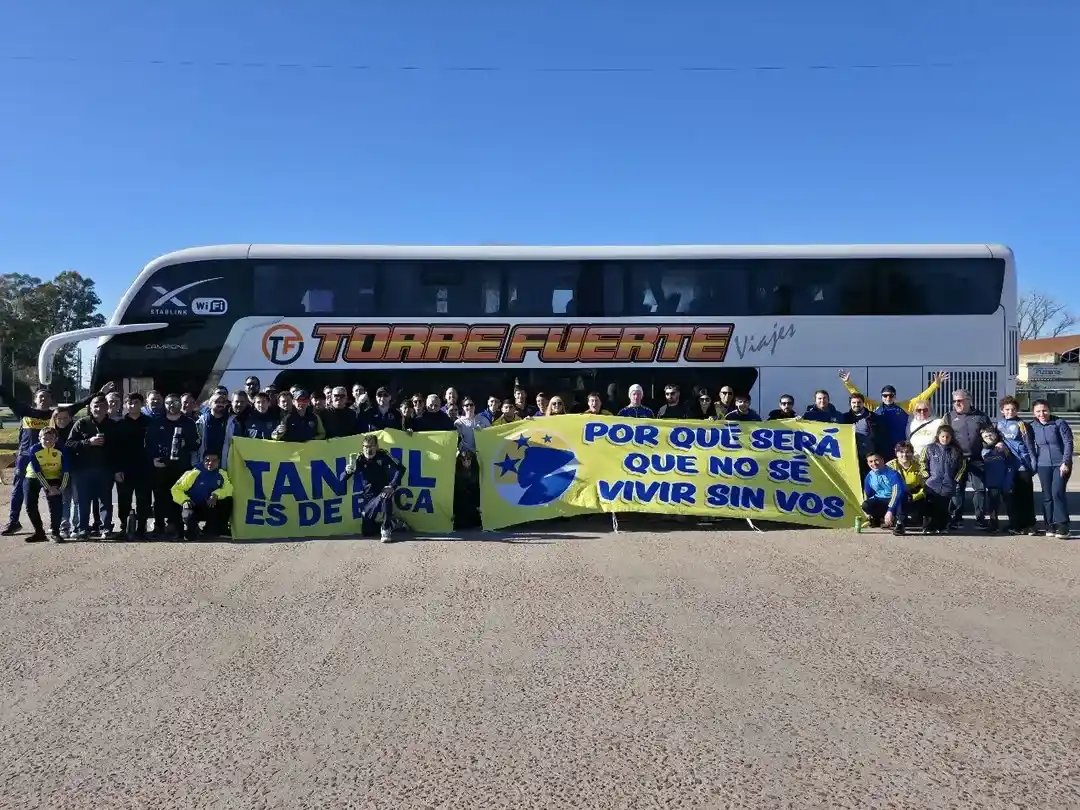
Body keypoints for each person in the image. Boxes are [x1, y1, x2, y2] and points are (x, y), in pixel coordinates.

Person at [0, 380, 113, 536]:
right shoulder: (24, 411)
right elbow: (9, 398)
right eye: (40, 397)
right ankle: (14, 521)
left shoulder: (57, 414)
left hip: (54, 461)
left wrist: (100, 393)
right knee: (19, 492)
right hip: (27, 457)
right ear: (35, 399)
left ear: (51, 400)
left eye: (46, 397)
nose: (43, 400)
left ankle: (58, 526)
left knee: (56, 494)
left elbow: (81, 404)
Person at [839, 370, 949, 460]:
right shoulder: (875, 407)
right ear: (881, 396)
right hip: (881, 448)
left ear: (895, 396)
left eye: (891, 396)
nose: (888, 398)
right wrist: (848, 383)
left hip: (900, 448)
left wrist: (935, 384)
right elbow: (859, 397)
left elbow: (921, 398)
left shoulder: (904, 406)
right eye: (885, 395)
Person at [145, 393, 200, 539]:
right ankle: (158, 525)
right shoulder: (157, 422)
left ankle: (175, 526)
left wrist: (186, 443)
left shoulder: (188, 423)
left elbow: (196, 443)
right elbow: (149, 444)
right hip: (161, 466)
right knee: (159, 497)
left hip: (181, 466)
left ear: (179, 404)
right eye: (169, 403)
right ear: (165, 405)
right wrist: (153, 459)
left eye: (175, 403)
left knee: (178, 496)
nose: (172, 405)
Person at [66, 395, 119, 540]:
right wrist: (88, 442)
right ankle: (83, 529)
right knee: (83, 501)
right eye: (95, 405)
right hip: (83, 469)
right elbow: (69, 445)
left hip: (105, 469)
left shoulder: (113, 426)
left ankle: (105, 528)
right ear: (90, 407)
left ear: (107, 408)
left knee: (105, 501)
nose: (99, 408)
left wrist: (117, 469)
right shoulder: (81, 423)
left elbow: (120, 449)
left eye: (102, 406)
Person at [341, 434, 407, 542]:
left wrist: (392, 486)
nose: (368, 450)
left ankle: (386, 529)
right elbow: (342, 479)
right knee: (367, 531)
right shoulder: (358, 459)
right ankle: (393, 524)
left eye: (371, 446)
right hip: (369, 499)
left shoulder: (383, 455)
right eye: (366, 447)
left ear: (376, 446)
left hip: (384, 492)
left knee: (386, 495)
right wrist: (346, 471)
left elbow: (401, 468)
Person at [942, 389, 991, 529]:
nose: (957, 403)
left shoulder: (981, 416)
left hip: (977, 458)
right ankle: (956, 519)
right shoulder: (948, 417)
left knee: (980, 489)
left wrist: (994, 443)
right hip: (957, 459)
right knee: (957, 489)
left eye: (960, 400)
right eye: (955, 401)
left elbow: (989, 435)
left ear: (969, 401)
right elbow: (943, 436)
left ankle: (980, 519)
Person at [1030, 399, 1072, 539]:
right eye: (1038, 411)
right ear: (1033, 413)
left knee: (1057, 493)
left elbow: (1068, 443)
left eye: (1044, 410)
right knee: (1047, 496)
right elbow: (1030, 446)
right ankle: (1049, 525)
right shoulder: (1032, 426)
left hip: (1060, 464)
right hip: (1043, 465)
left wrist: (1065, 462)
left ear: (1049, 410)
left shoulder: (1059, 423)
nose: (1042, 413)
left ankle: (1063, 526)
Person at [113, 392, 153, 539]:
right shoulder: (119, 424)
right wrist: (117, 470)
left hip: (144, 468)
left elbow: (154, 446)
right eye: (129, 403)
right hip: (124, 468)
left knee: (144, 499)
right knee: (124, 499)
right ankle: (124, 527)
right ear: (125, 405)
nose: (132, 405)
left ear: (142, 405)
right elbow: (114, 449)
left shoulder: (150, 423)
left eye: (136, 403)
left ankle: (142, 528)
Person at [996, 396, 1038, 536]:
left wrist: (1033, 464)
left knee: (1025, 496)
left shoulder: (1022, 425)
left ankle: (1029, 525)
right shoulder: (999, 425)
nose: (1010, 412)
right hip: (1007, 467)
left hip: (1022, 466)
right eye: (1007, 409)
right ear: (1002, 410)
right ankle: (1015, 524)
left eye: (1013, 409)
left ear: (1017, 410)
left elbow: (1030, 445)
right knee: (1010, 497)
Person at [170, 452, 233, 540]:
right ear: (203, 461)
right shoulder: (192, 474)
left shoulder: (222, 474)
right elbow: (175, 489)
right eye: (207, 460)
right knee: (189, 522)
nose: (210, 463)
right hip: (192, 507)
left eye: (214, 461)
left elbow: (229, 490)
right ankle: (191, 530)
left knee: (227, 501)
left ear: (218, 462)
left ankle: (218, 529)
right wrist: (184, 500)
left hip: (208, 507)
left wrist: (216, 494)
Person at [23, 426, 70, 543]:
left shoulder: (61, 450)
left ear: (56, 439)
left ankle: (55, 532)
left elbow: (66, 471)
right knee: (30, 504)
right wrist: (48, 488)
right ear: (39, 438)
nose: (48, 442)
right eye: (45, 439)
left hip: (53, 477)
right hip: (34, 476)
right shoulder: (34, 449)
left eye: (51, 439)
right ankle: (39, 533)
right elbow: (37, 470)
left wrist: (60, 489)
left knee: (56, 504)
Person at [922, 425, 967, 535]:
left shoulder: (956, 451)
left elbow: (962, 467)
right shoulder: (930, 448)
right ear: (938, 436)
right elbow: (922, 462)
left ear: (951, 437)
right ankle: (928, 527)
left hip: (948, 484)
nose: (945, 439)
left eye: (947, 437)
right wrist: (926, 475)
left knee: (943, 507)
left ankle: (941, 526)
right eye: (943, 436)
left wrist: (956, 480)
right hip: (932, 484)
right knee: (930, 506)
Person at [979, 426, 1016, 535]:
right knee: (993, 505)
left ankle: (1013, 525)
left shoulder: (1004, 448)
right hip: (992, 483)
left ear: (996, 435)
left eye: (991, 435)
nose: (988, 437)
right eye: (985, 436)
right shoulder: (983, 450)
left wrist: (1008, 481)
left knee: (1009, 504)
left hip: (1005, 481)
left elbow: (1010, 465)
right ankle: (993, 525)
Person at [861, 451, 906, 535]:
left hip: (896, 499)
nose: (874, 463)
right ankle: (879, 518)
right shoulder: (869, 476)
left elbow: (897, 493)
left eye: (876, 460)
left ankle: (899, 524)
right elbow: (868, 493)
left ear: (882, 460)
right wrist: (868, 514)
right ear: (868, 463)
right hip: (882, 499)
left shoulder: (893, 474)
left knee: (900, 499)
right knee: (866, 505)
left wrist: (890, 511)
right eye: (871, 461)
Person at [887, 442, 926, 529]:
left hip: (914, 496)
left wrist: (915, 496)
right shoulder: (889, 466)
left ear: (912, 453)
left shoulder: (920, 467)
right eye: (901, 452)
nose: (904, 454)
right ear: (896, 453)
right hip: (895, 496)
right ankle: (899, 521)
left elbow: (925, 486)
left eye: (908, 452)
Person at [453, 449, 482, 530]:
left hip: (474, 501)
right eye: (463, 459)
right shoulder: (455, 472)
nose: (466, 461)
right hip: (460, 501)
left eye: (468, 459)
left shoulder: (477, 472)